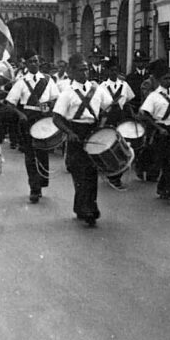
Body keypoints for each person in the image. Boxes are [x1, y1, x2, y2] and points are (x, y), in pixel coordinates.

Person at [52, 53, 114, 227]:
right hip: (75, 132)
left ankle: (87, 208)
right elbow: (56, 118)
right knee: (79, 172)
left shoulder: (98, 89)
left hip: (93, 131)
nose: (85, 73)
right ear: (71, 71)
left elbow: (109, 107)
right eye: (80, 70)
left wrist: (102, 124)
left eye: (86, 69)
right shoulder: (67, 93)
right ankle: (85, 208)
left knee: (92, 172)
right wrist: (69, 132)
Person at [5, 49, 60, 203]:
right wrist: (20, 114)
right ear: (26, 64)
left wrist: (49, 104)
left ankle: (41, 183)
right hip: (27, 119)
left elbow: (56, 98)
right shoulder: (21, 82)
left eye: (36, 61)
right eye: (31, 61)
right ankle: (34, 188)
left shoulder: (48, 80)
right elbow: (10, 103)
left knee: (43, 151)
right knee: (30, 154)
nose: (34, 64)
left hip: (43, 118)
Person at [138, 60, 170, 205]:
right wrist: (158, 128)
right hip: (162, 130)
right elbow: (144, 114)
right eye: (165, 78)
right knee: (166, 162)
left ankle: (162, 187)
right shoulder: (153, 96)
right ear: (160, 80)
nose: (169, 81)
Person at [99, 64, 135, 191]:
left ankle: (118, 174)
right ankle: (112, 174)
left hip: (121, 117)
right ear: (107, 71)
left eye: (116, 70)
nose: (113, 73)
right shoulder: (102, 87)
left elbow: (129, 101)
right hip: (109, 118)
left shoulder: (124, 85)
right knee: (110, 147)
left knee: (122, 146)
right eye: (111, 70)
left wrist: (132, 117)